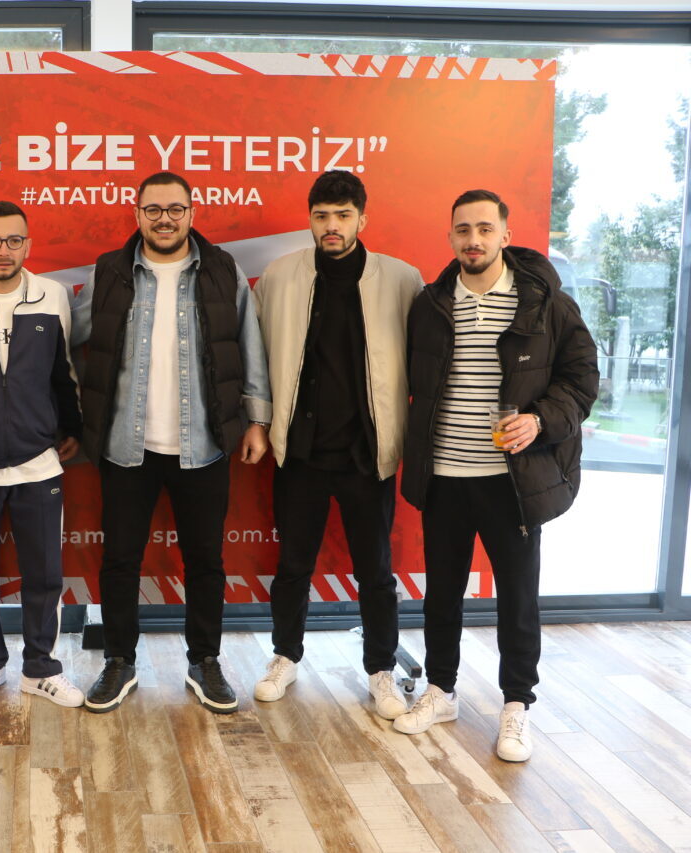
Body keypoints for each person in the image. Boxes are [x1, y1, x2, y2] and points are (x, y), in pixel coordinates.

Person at [394, 189, 598, 761]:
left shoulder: (546, 303)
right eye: (463, 229)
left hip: (513, 479)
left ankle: (516, 705)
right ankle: (440, 691)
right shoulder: (431, 304)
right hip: (445, 473)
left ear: (506, 235)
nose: (473, 239)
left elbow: (582, 379)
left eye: (485, 228)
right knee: (442, 594)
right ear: (450, 236)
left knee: (518, 597)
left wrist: (540, 420)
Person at [76, 171, 271, 714]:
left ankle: (204, 661)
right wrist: (73, 416)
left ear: (192, 213)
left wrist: (257, 419)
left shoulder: (222, 270)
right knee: (120, 560)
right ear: (137, 214)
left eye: (175, 209)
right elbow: (70, 337)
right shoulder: (110, 272)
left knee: (205, 560)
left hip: (203, 445)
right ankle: (119, 661)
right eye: (154, 209)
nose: (165, 219)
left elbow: (248, 343)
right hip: (125, 447)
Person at [253, 171, 423, 719]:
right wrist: (258, 421)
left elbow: (424, 361)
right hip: (300, 449)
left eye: (343, 216)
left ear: (362, 219)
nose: (332, 226)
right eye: (322, 215)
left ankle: (380, 670)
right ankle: (285, 656)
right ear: (309, 218)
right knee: (292, 566)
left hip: (366, 453)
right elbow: (257, 357)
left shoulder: (402, 280)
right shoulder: (280, 276)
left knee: (375, 571)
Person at [0, 201, 84, 708]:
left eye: (13, 241)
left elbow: (63, 371)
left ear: (28, 244)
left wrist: (72, 427)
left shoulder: (52, 295)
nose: (3, 251)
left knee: (44, 574)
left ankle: (41, 668)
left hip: (38, 461)